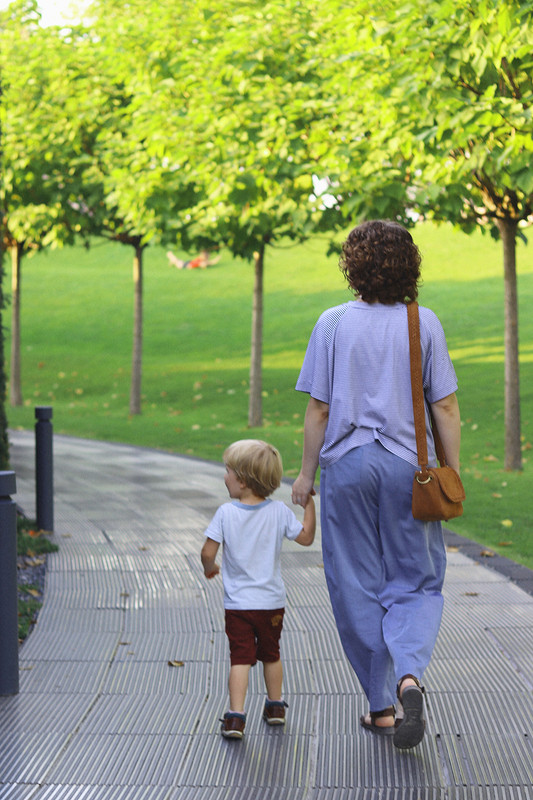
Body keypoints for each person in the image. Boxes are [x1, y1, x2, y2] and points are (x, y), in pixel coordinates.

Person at [291, 220, 461, 750]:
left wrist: (304, 474)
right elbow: (446, 405)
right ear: (409, 265)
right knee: (417, 579)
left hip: (346, 466)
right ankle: (410, 674)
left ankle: (381, 706)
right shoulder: (423, 322)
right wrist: (450, 469)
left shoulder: (333, 322)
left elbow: (318, 408)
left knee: (355, 583)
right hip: (408, 468)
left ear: (352, 266)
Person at [201, 438, 316, 740]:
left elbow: (207, 552)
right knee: (271, 654)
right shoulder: (278, 512)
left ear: (241, 480)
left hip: (238, 606)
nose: (224, 477)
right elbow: (305, 538)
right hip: (272, 604)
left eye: (227, 471)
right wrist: (310, 505)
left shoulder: (226, 513)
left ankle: (236, 717)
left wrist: (209, 568)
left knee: (241, 658)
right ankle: (276, 706)